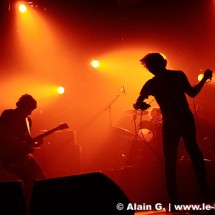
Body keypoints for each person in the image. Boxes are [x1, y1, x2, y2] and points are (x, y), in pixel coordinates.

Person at [133, 53, 213, 210]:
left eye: (150, 66)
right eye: (149, 66)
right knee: (192, 151)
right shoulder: (174, 76)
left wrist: (139, 104)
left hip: (174, 121)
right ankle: (202, 192)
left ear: (159, 64)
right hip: (180, 119)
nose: (150, 69)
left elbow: (138, 101)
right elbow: (192, 93)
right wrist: (204, 79)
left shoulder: (154, 82)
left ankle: (174, 200)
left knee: (173, 158)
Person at [0, 94, 46, 211]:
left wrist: (38, 143)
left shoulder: (28, 120)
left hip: (22, 156)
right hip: (7, 155)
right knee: (28, 179)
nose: (30, 113)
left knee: (42, 178)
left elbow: (28, 143)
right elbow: (1, 134)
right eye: (30, 109)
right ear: (22, 105)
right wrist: (16, 141)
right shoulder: (8, 114)